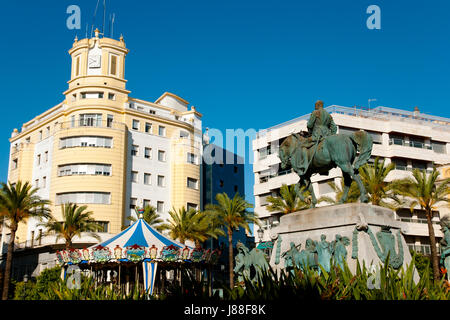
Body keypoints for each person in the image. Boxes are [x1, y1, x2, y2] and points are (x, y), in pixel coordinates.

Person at [293, 100, 337, 175]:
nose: (315, 106)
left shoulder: (315, 112)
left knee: (302, 145)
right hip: (327, 135)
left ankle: (305, 165)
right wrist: (331, 136)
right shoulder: (328, 115)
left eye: (315, 105)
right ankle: (325, 170)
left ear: (318, 105)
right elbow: (334, 128)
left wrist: (310, 130)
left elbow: (310, 125)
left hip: (317, 134)